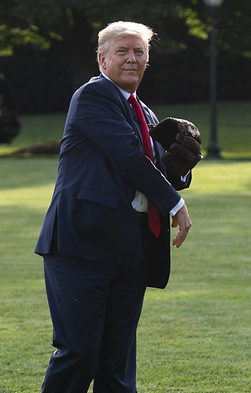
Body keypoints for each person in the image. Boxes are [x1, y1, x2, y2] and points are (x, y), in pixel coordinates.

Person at [35, 21, 194, 392]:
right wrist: (176, 204)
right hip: (81, 244)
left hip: (131, 246)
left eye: (139, 52)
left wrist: (183, 170)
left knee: (118, 362)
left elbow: (157, 172)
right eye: (122, 51)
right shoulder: (93, 96)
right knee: (79, 351)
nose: (132, 58)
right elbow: (129, 157)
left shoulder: (146, 114)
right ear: (102, 59)